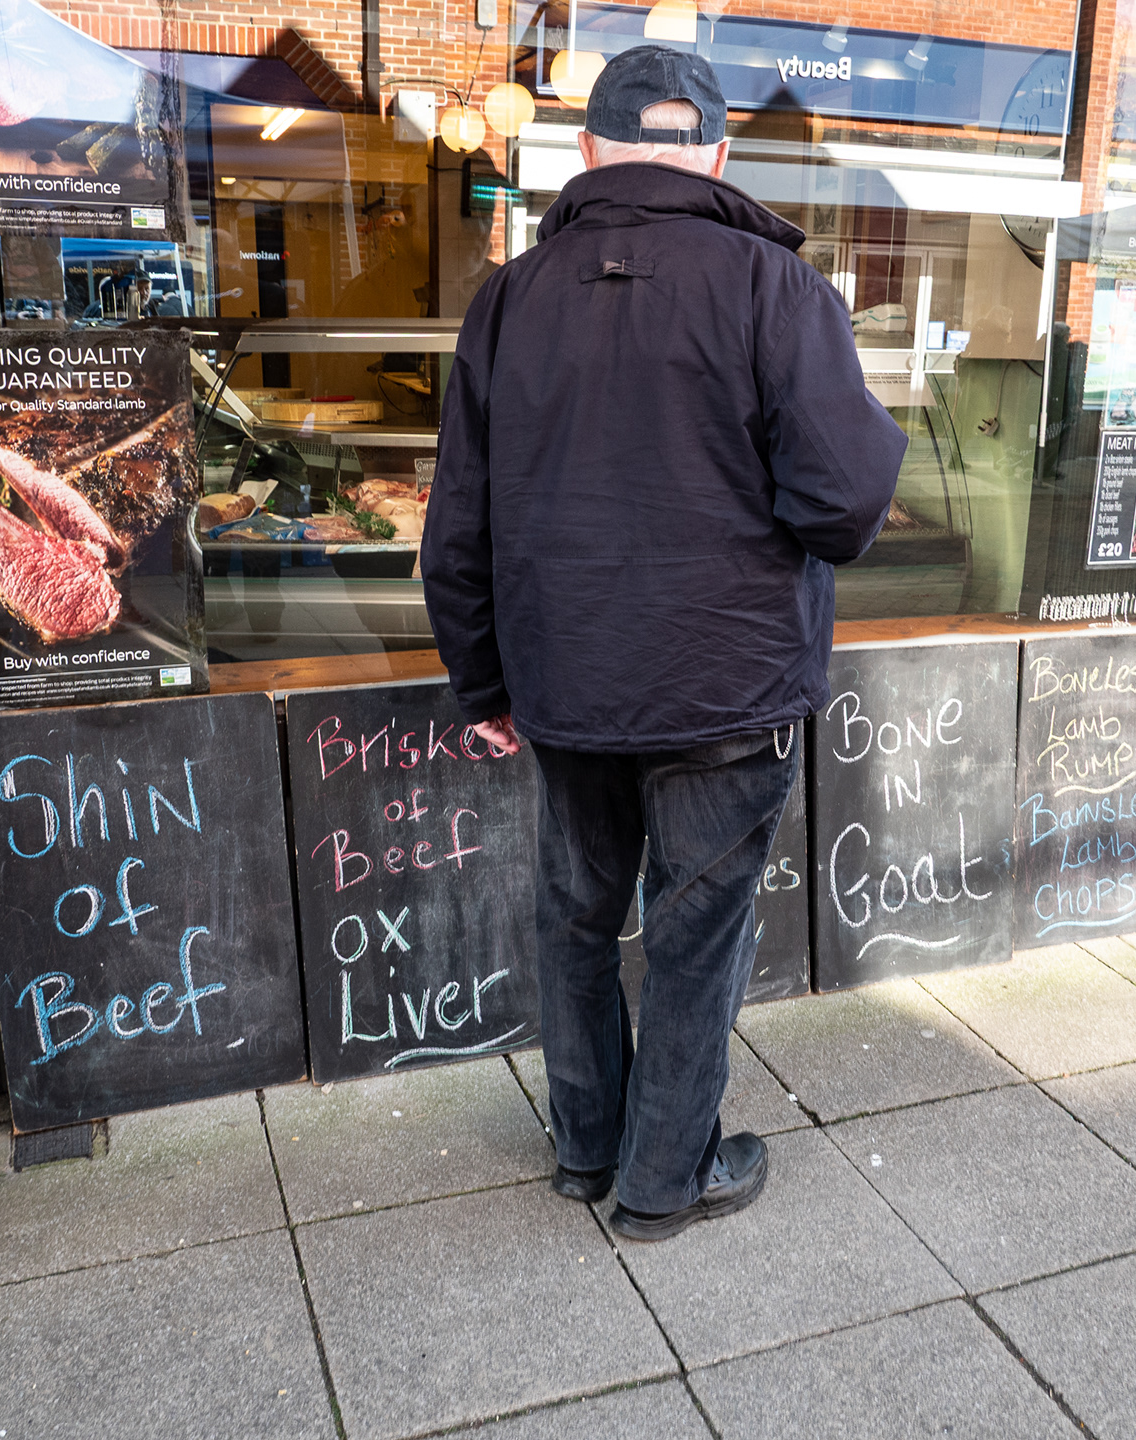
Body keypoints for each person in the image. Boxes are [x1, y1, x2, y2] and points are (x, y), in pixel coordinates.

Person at [421, 45, 905, 1241]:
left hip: (564, 677)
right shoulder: (775, 291)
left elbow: (458, 517)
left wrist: (480, 676)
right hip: (726, 680)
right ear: (719, 157)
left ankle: (587, 1152)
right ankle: (662, 1180)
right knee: (697, 936)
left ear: (588, 153)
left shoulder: (510, 298)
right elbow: (843, 507)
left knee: (573, 916)